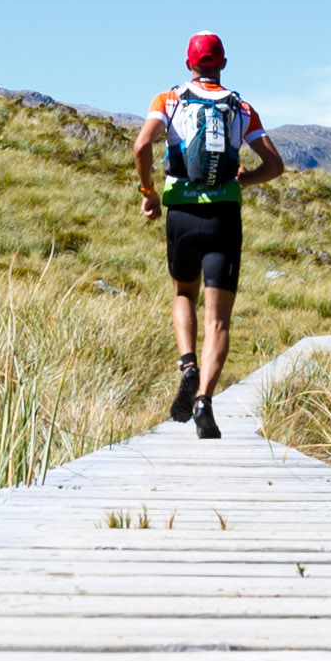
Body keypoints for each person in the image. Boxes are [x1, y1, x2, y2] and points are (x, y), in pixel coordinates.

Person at [132, 32, 286, 435]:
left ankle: (187, 364)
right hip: (224, 217)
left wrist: (149, 193)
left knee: (183, 293)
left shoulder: (168, 99)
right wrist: (245, 180)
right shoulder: (242, 108)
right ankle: (203, 400)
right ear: (223, 63)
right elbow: (275, 165)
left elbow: (141, 146)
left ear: (189, 64)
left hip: (180, 212)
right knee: (219, 321)